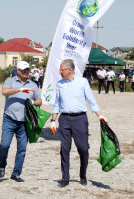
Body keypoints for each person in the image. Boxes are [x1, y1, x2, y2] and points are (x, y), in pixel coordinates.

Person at [50, 59, 105, 188]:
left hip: (80, 119)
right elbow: (56, 104)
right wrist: (53, 121)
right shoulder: (59, 84)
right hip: (64, 119)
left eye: (61, 70)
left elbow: (91, 101)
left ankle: (83, 175)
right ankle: (65, 178)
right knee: (64, 149)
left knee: (83, 149)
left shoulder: (83, 82)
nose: (60, 72)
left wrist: (100, 116)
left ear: (70, 70)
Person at [0, 61, 42, 182]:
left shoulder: (33, 85)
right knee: (4, 144)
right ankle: (2, 165)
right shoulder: (10, 81)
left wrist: (32, 102)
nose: (26, 72)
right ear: (17, 70)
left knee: (22, 148)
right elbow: (4, 92)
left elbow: (39, 101)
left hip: (24, 122)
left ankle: (16, 173)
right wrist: (20, 89)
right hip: (9, 119)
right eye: (23, 70)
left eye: (27, 70)